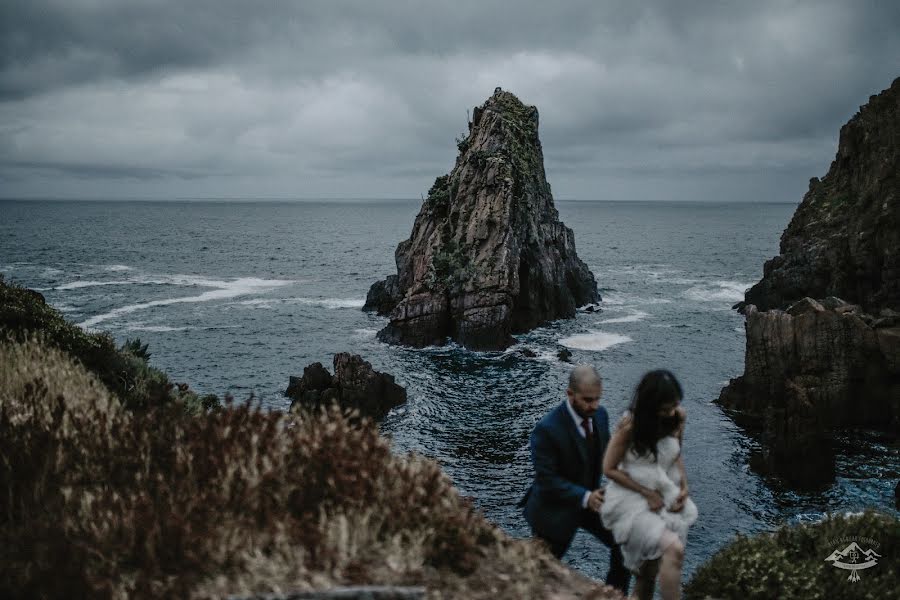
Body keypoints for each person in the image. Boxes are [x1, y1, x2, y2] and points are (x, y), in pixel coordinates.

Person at [519, 365, 630, 594]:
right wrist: (585, 497)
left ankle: (612, 596)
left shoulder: (600, 415)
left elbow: (605, 456)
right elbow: (547, 482)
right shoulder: (546, 429)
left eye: (598, 399)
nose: (595, 406)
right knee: (541, 576)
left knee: (626, 542)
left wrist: (622, 439)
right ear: (570, 394)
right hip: (553, 511)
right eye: (588, 400)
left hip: (590, 501)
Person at [601, 370, 698, 600]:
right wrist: (646, 494)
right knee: (673, 549)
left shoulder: (678, 417)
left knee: (648, 576)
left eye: (674, 405)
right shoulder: (629, 426)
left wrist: (684, 486)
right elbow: (609, 468)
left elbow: (675, 456)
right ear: (649, 405)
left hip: (662, 493)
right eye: (665, 409)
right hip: (631, 498)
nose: (671, 412)